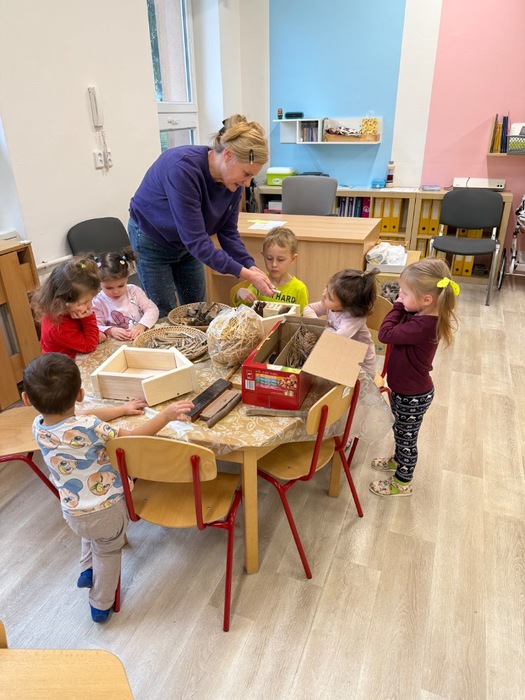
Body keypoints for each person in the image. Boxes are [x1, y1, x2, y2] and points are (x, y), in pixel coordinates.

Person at [22, 352, 194, 623]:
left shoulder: (38, 427)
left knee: (90, 533)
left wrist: (122, 410)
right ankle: (100, 604)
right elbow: (134, 437)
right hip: (109, 511)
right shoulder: (92, 428)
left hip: (72, 510)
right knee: (107, 550)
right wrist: (165, 415)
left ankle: (86, 569)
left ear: (27, 400)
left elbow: (84, 415)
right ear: (80, 394)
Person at [128, 113, 275, 317]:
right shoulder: (182, 169)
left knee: (199, 310)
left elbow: (228, 233)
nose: (248, 183)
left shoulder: (233, 183)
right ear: (228, 155)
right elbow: (197, 240)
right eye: (246, 173)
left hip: (188, 244)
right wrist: (245, 274)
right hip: (152, 240)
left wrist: (250, 265)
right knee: (164, 313)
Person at [369, 258, 459, 498]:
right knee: (400, 430)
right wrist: (405, 303)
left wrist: (397, 307)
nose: (400, 296)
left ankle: (402, 482)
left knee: (406, 439)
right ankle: (398, 460)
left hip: (413, 396)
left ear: (427, 299)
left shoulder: (423, 325)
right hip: (406, 390)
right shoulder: (420, 313)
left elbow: (385, 334)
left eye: (405, 293)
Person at [303, 268, 378, 376]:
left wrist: (322, 327)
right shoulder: (329, 305)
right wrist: (318, 324)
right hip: (342, 354)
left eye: (330, 297)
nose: (323, 294)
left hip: (361, 368)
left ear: (347, 307)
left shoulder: (353, 318)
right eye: (326, 287)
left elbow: (335, 340)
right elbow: (308, 308)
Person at [31, 256, 106, 358]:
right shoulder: (57, 328)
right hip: (62, 366)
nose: (90, 305)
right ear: (63, 302)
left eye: (91, 299)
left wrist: (94, 334)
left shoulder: (68, 310)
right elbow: (89, 345)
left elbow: (89, 335)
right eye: (85, 302)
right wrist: (88, 319)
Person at [234, 226, 309, 311]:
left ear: (293, 259)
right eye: (269, 258)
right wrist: (240, 294)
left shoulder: (299, 289)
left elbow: (303, 317)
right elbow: (242, 309)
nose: (274, 264)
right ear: (263, 256)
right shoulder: (259, 281)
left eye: (280, 259)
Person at [91, 246, 159, 341]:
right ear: (99, 283)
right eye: (109, 288)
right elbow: (95, 326)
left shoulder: (134, 291)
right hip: (116, 343)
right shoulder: (97, 301)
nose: (116, 292)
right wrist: (110, 330)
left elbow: (152, 309)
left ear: (127, 278)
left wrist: (141, 325)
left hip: (141, 337)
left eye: (121, 286)